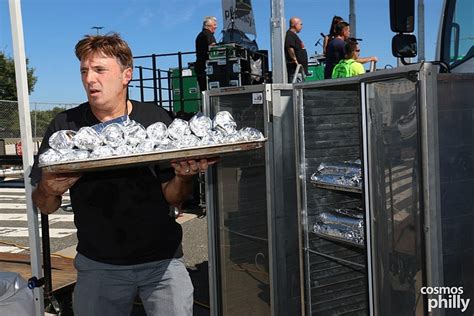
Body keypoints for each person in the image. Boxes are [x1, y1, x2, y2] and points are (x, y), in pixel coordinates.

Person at [30, 33, 217, 316]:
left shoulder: (154, 119)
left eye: (100, 70)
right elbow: (44, 205)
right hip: (98, 266)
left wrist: (183, 177)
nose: (90, 79)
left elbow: (173, 197)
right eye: (84, 71)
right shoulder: (65, 126)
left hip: (162, 264)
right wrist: (49, 188)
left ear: (126, 75)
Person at [195, 16, 217, 92]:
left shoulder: (199, 35)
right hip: (207, 68)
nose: (216, 27)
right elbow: (214, 49)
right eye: (214, 25)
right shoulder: (208, 34)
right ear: (208, 26)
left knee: (203, 91)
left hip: (200, 67)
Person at [285, 16, 308, 83]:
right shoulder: (290, 35)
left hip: (300, 71)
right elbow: (290, 48)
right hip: (295, 71)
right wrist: (295, 60)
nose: (302, 26)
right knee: (297, 91)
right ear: (294, 25)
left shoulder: (294, 35)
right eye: (300, 24)